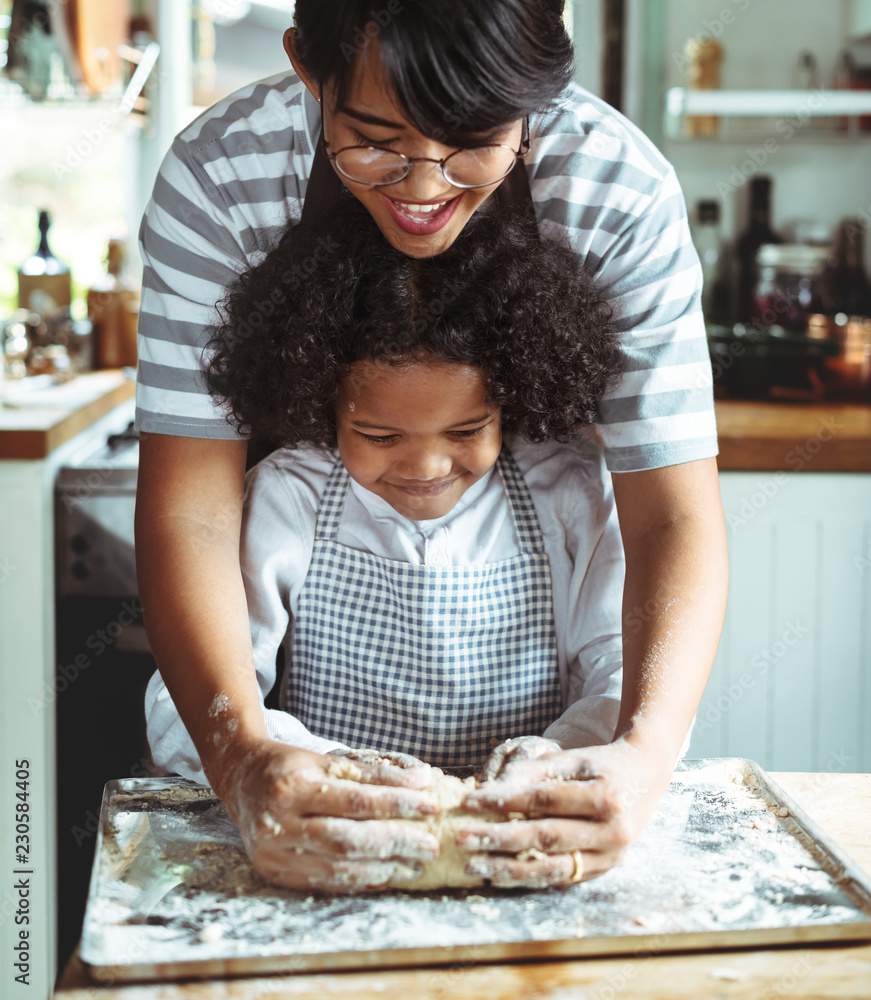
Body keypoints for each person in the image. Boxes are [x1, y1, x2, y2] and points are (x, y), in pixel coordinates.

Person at [134, 0, 727, 893]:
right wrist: (243, 757)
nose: (421, 188)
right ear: (305, 66)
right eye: (372, 140)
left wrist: (638, 758)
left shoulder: (615, 186)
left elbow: (670, 518)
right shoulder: (222, 173)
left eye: (473, 142)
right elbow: (191, 511)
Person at [145, 197, 629, 889]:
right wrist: (302, 772)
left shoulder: (570, 491)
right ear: (323, 404)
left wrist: (549, 769)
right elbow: (186, 698)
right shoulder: (292, 496)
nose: (426, 468)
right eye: (379, 437)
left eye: (466, 432)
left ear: (512, 400)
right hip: (329, 853)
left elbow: (621, 673)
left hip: (525, 852)